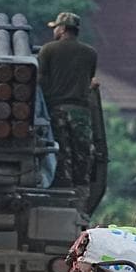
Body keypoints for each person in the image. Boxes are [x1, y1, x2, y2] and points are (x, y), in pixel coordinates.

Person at [38, 11, 99, 189]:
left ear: (63, 29)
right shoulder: (90, 53)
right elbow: (89, 80)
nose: (54, 31)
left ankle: (61, 186)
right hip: (81, 110)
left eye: (56, 27)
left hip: (57, 109)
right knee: (82, 151)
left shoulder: (48, 50)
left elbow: (40, 80)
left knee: (60, 150)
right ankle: (80, 187)